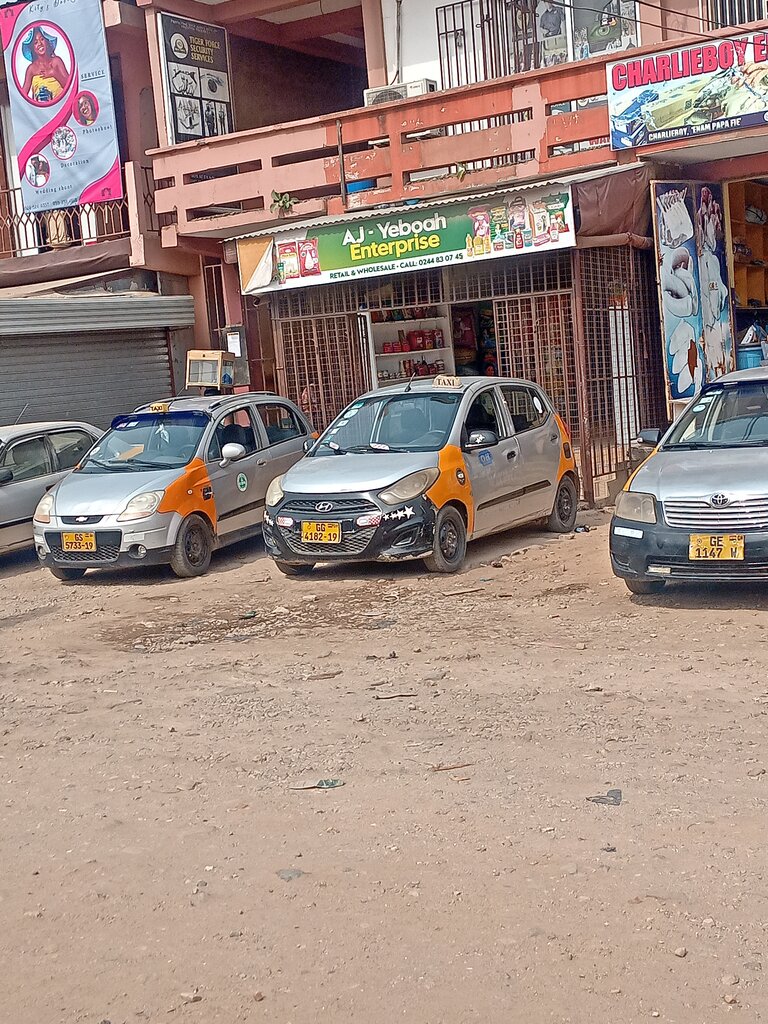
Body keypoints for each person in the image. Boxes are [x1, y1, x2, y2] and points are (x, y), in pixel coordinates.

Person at [21, 26, 69, 103]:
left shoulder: (57, 61)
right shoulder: (31, 69)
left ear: (47, 42)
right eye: (35, 42)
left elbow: (70, 86)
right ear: (32, 48)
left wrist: (53, 73)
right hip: (42, 112)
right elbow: (22, 96)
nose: (40, 43)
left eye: (42, 39)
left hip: (61, 106)